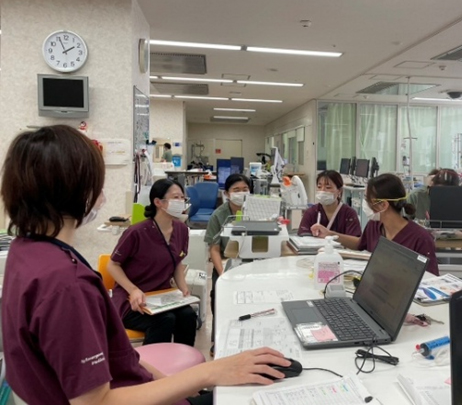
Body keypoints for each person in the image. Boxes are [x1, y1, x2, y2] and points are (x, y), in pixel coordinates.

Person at [0, 125, 290, 405]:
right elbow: (95, 402)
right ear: (77, 188)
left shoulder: (26, 252)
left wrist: (183, 386)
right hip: (130, 392)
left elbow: (123, 359)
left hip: (137, 385)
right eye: (98, 183)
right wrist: (211, 372)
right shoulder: (67, 285)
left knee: (185, 318)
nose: (101, 194)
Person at [108, 179, 197, 346]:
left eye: (182, 198)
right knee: (165, 320)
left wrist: (183, 288)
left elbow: (177, 261)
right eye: (175, 197)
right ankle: (151, 363)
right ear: (158, 202)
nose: (180, 202)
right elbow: (112, 265)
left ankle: (184, 361)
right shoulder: (136, 232)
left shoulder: (182, 230)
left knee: (188, 316)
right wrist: (133, 290)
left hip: (162, 295)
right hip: (132, 298)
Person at [312, 173, 439, 275]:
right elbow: (360, 243)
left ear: (383, 205)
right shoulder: (374, 226)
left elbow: (430, 279)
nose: (365, 204)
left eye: (367, 199)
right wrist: (330, 234)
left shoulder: (420, 239)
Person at [204, 173, 251, 353]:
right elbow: (214, 249)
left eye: (245, 189)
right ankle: (219, 339)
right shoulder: (219, 215)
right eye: (236, 190)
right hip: (226, 262)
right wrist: (223, 273)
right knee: (219, 294)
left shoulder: (256, 210)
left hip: (251, 263)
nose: (241, 193)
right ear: (227, 193)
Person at [298, 170, 362, 238]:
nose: (322, 191)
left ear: (339, 191)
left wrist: (330, 235)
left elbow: (356, 241)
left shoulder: (349, 214)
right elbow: (302, 237)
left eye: (328, 187)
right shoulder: (311, 212)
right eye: (319, 187)